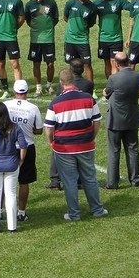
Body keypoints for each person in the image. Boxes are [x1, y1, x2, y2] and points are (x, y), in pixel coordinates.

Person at [45, 69, 108, 221]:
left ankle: (74, 214)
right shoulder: (88, 99)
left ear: (61, 83)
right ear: (73, 80)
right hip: (85, 145)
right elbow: (97, 121)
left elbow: (49, 128)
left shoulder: (55, 103)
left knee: (69, 181)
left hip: (64, 148)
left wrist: (51, 142)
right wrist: (91, 136)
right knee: (90, 178)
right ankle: (97, 210)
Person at [103, 52, 139, 188]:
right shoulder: (138, 75)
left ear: (116, 63)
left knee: (114, 150)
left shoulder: (113, 78)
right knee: (133, 149)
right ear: (128, 61)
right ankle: (136, 180)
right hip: (132, 118)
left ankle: (112, 182)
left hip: (116, 120)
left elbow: (107, 93)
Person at [3, 79, 43, 221]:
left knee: (4, 179)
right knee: (24, 181)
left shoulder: (6, 105)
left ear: (14, 91)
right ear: (26, 92)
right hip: (27, 146)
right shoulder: (33, 108)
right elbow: (39, 130)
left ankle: (4, 210)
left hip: (7, 146)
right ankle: (21, 212)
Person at [0, 102, 27, 233]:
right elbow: (23, 146)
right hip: (12, 164)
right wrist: (21, 160)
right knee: (11, 194)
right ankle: (12, 226)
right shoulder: (15, 127)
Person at [25, 0, 58, 95]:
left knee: (50, 64)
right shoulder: (29, 5)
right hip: (35, 39)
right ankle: (38, 87)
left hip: (48, 39)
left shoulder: (51, 3)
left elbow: (55, 19)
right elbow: (28, 21)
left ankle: (49, 85)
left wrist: (47, 29)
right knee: (36, 64)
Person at [93, 0, 131, 78]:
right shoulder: (97, 2)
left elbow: (132, 8)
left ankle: (115, 86)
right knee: (106, 63)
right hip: (102, 39)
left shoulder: (119, 0)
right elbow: (87, 9)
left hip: (116, 39)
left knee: (114, 62)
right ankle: (110, 85)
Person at [64, 0, 97, 82]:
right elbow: (65, 17)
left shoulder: (92, 7)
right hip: (69, 39)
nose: (83, 0)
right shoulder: (71, 2)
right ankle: (71, 87)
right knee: (71, 64)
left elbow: (91, 23)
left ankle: (90, 89)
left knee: (87, 64)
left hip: (82, 40)